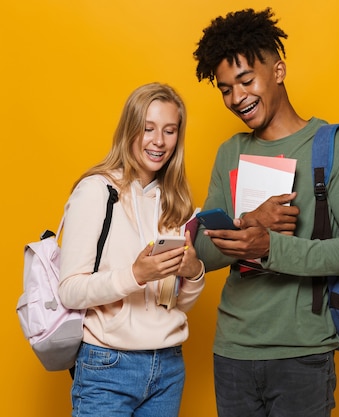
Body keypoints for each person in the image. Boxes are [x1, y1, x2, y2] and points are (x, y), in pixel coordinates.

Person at [192, 8, 339, 417]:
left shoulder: (338, 146)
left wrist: (271, 246)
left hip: (302, 354)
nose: (237, 98)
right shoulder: (231, 151)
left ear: (278, 70)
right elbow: (203, 256)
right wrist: (252, 222)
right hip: (232, 353)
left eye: (246, 80)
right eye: (225, 89)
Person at [58, 82, 205, 417]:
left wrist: (193, 272)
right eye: (148, 128)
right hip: (108, 365)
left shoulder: (176, 203)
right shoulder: (97, 191)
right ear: (130, 130)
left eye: (169, 131)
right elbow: (69, 291)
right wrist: (136, 275)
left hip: (168, 366)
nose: (159, 141)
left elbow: (177, 302)